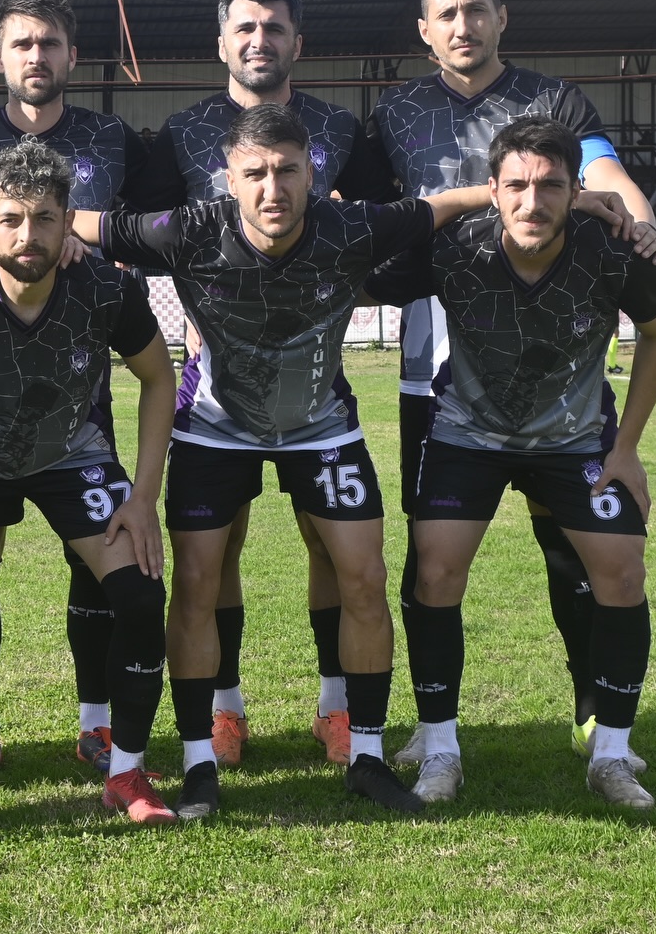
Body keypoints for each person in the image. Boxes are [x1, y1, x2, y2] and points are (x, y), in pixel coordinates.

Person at [71, 102, 510, 817]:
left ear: (311, 175)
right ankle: (199, 763)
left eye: (287, 171)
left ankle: (365, 756)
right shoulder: (188, 229)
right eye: (256, 174)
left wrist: (512, 193)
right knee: (198, 584)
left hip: (320, 427)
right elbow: (87, 222)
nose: (272, 188)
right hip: (216, 427)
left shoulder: (352, 226)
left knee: (364, 577)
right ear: (229, 181)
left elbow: (435, 208)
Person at [359, 0, 656, 769]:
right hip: (440, 371)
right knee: (433, 557)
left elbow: (600, 167)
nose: (464, 26)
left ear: (502, 18)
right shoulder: (395, 113)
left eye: (477, 11)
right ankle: (432, 728)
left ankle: (596, 713)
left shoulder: (553, 98)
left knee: (575, 554)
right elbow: (372, 217)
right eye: (447, 15)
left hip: (556, 368)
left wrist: (634, 217)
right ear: (426, 31)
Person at [0, 0, 182, 780]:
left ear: (71, 54)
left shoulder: (114, 139)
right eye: (22, 43)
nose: (37, 56)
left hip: (76, 383)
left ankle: (99, 726)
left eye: (51, 43)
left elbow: (145, 232)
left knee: (97, 566)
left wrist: (87, 237)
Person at [0, 140, 177, 836]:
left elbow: (159, 378)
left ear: (67, 221)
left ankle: (126, 772)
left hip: (71, 455)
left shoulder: (106, 287)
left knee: (139, 594)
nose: (28, 235)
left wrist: (142, 499)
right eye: (10, 219)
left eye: (45, 219)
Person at [146, 0, 377, 770]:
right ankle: (224, 709)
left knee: (329, 544)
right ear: (222, 43)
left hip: (313, 381)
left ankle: (336, 707)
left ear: (296, 42)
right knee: (218, 549)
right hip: (215, 378)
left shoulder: (341, 128)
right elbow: (145, 229)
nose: (259, 40)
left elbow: (380, 224)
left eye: (273, 28)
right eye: (244, 28)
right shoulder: (183, 131)